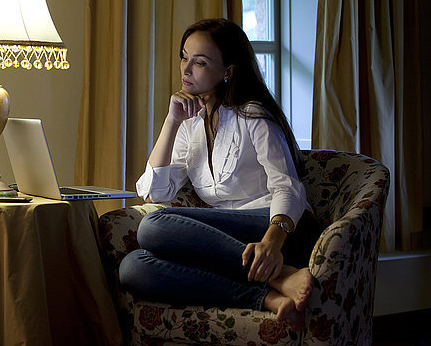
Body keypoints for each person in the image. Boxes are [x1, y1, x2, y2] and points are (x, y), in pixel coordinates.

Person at [119, 18, 321, 331]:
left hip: (276, 229)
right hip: (231, 245)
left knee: (154, 226)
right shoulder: (189, 121)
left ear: (228, 71)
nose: (186, 70)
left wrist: (272, 242)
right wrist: (171, 122)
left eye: (199, 62)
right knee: (134, 268)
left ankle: (278, 271)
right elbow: (156, 192)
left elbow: (287, 187)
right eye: (184, 57)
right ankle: (270, 295)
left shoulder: (254, 115)